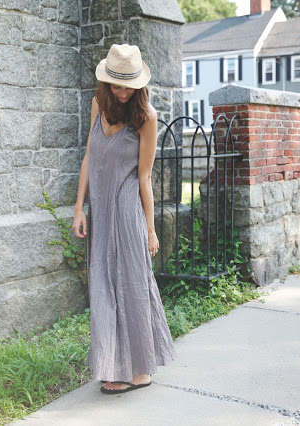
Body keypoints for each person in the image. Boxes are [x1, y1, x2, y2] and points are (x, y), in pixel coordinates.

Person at [72, 44, 176, 395]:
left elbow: (144, 177)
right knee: (102, 287)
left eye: (128, 84)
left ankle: (141, 370)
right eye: (116, 84)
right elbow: (88, 155)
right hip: (100, 214)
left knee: (131, 286)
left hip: (128, 212)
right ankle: (112, 364)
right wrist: (78, 208)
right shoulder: (98, 105)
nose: (122, 91)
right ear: (106, 82)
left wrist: (150, 229)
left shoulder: (147, 117)